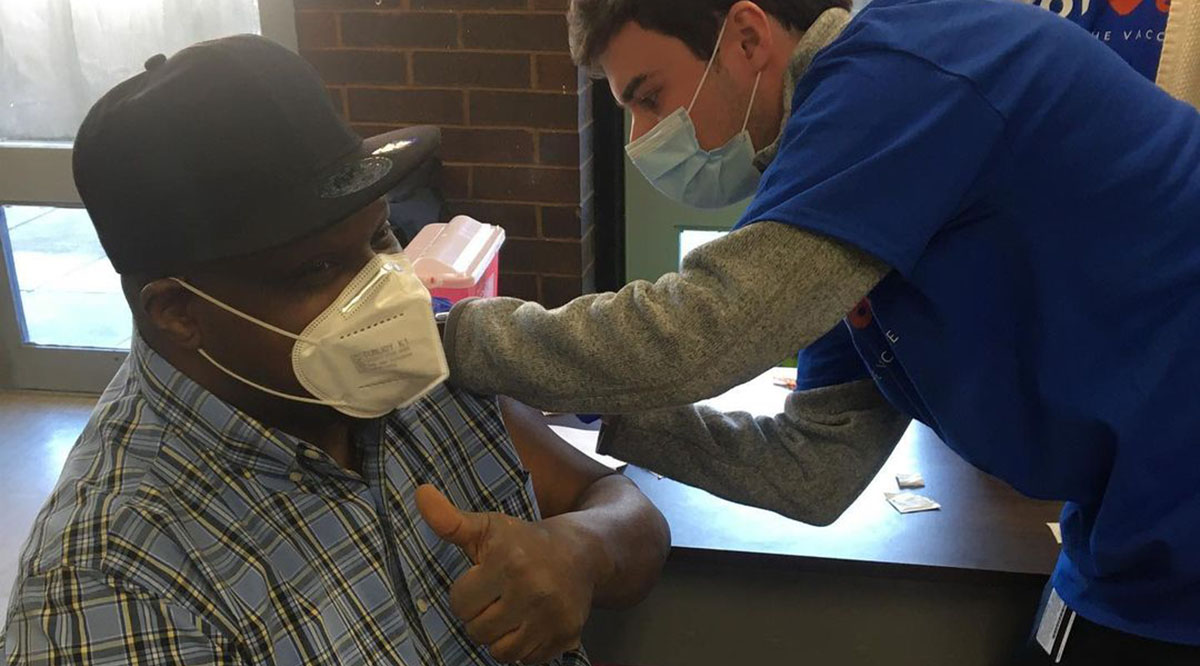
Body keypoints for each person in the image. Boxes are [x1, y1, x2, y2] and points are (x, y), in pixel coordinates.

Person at [441, 0, 1200, 662]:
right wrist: (603, 409)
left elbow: (704, 332)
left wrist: (450, 338)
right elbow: (815, 466)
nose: (641, 139)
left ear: (745, 37)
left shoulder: (897, 78)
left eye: (648, 97)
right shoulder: (849, 188)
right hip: (1131, 522)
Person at [1, 35, 669, 666]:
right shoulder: (112, 587)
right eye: (316, 272)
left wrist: (581, 551)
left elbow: (615, 501)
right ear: (179, 312)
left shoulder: (411, 371)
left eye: (380, 240)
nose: (386, 298)